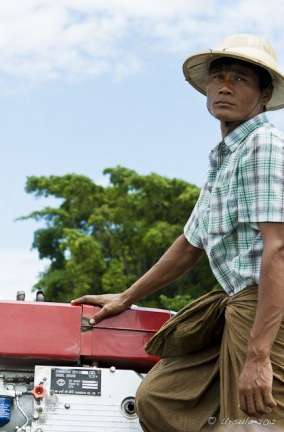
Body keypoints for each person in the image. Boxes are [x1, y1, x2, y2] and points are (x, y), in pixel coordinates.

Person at [71, 34, 284, 431]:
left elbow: (279, 247)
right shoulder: (223, 158)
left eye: (240, 79)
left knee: (256, 423)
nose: (224, 86)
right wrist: (126, 296)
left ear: (264, 93)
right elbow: (190, 243)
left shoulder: (264, 144)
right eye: (218, 77)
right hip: (234, 306)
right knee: (158, 400)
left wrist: (257, 355)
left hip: (268, 309)